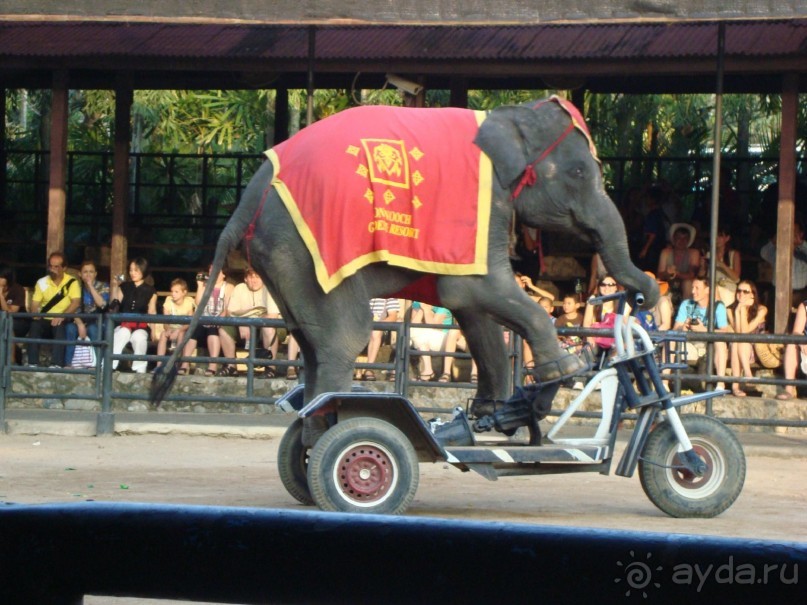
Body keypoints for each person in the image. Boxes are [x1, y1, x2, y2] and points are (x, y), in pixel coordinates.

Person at [672, 276, 731, 391]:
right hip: (690, 344)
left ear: (708, 290)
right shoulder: (686, 304)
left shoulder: (718, 306)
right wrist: (683, 327)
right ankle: (663, 383)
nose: (693, 291)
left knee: (720, 342)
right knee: (671, 340)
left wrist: (703, 329)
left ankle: (720, 384)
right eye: (692, 287)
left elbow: (724, 331)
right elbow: (675, 328)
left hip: (708, 344)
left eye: (697, 288)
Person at [218, 267, 278, 377]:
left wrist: (248, 322)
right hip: (242, 326)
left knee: (269, 328)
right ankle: (231, 366)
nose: (254, 280)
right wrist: (242, 323)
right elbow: (230, 312)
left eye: (258, 277)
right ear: (245, 279)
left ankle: (270, 367)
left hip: (265, 326)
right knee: (223, 329)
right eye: (251, 277)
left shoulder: (269, 289)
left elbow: (272, 315)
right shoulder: (239, 288)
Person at [27, 252, 81, 368]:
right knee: (35, 325)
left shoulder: (72, 282)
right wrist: (35, 312)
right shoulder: (42, 282)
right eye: (51, 266)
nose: (53, 269)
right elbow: (35, 303)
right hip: (45, 317)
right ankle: (32, 363)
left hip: (62, 317)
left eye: (56, 267)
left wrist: (62, 316)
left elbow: (75, 302)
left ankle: (56, 363)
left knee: (59, 326)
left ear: (64, 268)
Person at [110, 257, 157, 373]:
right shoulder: (124, 287)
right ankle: (110, 365)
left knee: (139, 338)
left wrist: (154, 331)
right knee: (123, 332)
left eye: (136, 270)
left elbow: (152, 311)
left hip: (141, 325)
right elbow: (115, 304)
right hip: (123, 323)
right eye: (131, 270)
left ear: (143, 270)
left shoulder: (151, 290)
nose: (132, 273)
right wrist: (115, 286)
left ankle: (140, 368)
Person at [186, 264, 233, 377]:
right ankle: (184, 364)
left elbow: (227, 307)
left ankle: (212, 366)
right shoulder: (206, 285)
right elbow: (198, 303)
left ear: (223, 274)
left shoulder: (228, 287)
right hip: (204, 318)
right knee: (193, 331)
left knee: (213, 331)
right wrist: (200, 286)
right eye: (211, 270)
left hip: (218, 321)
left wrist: (219, 320)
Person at [64, 260, 109, 367]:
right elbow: (74, 308)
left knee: (93, 329)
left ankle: (98, 365)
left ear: (95, 274)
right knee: (70, 328)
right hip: (80, 320)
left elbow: (102, 304)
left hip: (98, 321)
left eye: (91, 272)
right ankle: (68, 364)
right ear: (80, 274)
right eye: (85, 272)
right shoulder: (77, 288)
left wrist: (90, 286)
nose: (88, 274)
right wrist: (79, 324)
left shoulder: (104, 286)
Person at [728, 280, 767, 397]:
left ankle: (743, 376)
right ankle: (743, 378)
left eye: (745, 291)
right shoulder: (730, 309)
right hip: (737, 347)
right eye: (739, 291)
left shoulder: (762, 310)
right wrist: (739, 309)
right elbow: (739, 332)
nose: (741, 294)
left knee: (740, 342)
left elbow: (746, 331)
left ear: (752, 295)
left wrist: (743, 310)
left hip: (755, 349)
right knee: (736, 343)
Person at [760, 219, 807, 307]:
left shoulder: (803, 251)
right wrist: (774, 241)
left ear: (801, 234)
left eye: (794, 232)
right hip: (778, 292)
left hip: (801, 294)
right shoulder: (777, 250)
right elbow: (763, 253)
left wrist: (801, 243)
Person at [154, 278, 195, 374]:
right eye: (172, 291)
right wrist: (168, 329)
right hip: (171, 328)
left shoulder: (189, 302)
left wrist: (179, 330)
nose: (173, 294)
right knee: (163, 335)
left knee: (181, 335)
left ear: (184, 292)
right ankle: (159, 365)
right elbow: (166, 321)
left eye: (176, 292)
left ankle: (176, 364)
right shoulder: (168, 302)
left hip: (183, 329)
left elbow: (189, 322)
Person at [699, 224, 741, 307]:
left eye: (720, 236)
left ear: (727, 238)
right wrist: (702, 266)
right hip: (710, 287)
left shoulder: (733, 254)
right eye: (714, 236)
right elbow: (701, 276)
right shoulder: (708, 254)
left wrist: (720, 264)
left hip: (727, 288)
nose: (716, 239)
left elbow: (736, 278)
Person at [409, 301, 453, 381]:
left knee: (415, 335)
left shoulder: (442, 303)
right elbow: (414, 324)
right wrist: (422, 310)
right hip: (424, 336)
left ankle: (428, 371)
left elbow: (434, 325)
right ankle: (428, 370)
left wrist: (426, 309)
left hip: (443, 338)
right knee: (415, 334)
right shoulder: (417, 302)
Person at [658, 223, 701, 302]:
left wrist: (677, 273)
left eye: (685, 238)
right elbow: (660, 274)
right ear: (673, 239)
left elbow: (692, 275)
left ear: (689, 240)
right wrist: (668, 273)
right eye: (679, 238)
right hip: (669, 285)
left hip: (688, 287)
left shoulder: (694, 253)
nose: (682, 241)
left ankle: (685, 311)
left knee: (687, 283)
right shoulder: (666, 252)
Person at [361, 297, 400, 381]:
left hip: (378, 325)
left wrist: (379, 323)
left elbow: (393, 316)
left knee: (376, 331)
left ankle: (369, 368)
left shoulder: (390, 295)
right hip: (361, 324)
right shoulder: (366, 292)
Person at [0, 264, 29, 364]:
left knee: (7, 326)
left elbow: (10, 312)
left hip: (18, 321)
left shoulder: (17, 289)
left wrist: (1, 296)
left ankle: (11, 360)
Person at [779, 299, 807, 401]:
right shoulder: (805, 306)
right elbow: (796, 332)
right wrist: (802, 341)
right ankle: (789, 389)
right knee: (791, 345)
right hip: (805, 350)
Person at [637, 185, 669, 273]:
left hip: (653, 249)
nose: (646, 200)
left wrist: (644, 249)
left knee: (649, 271)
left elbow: (652, 234)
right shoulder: (660, 213)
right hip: (658, 246)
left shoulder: (653, 214)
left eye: (647, 198)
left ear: (653, 199)